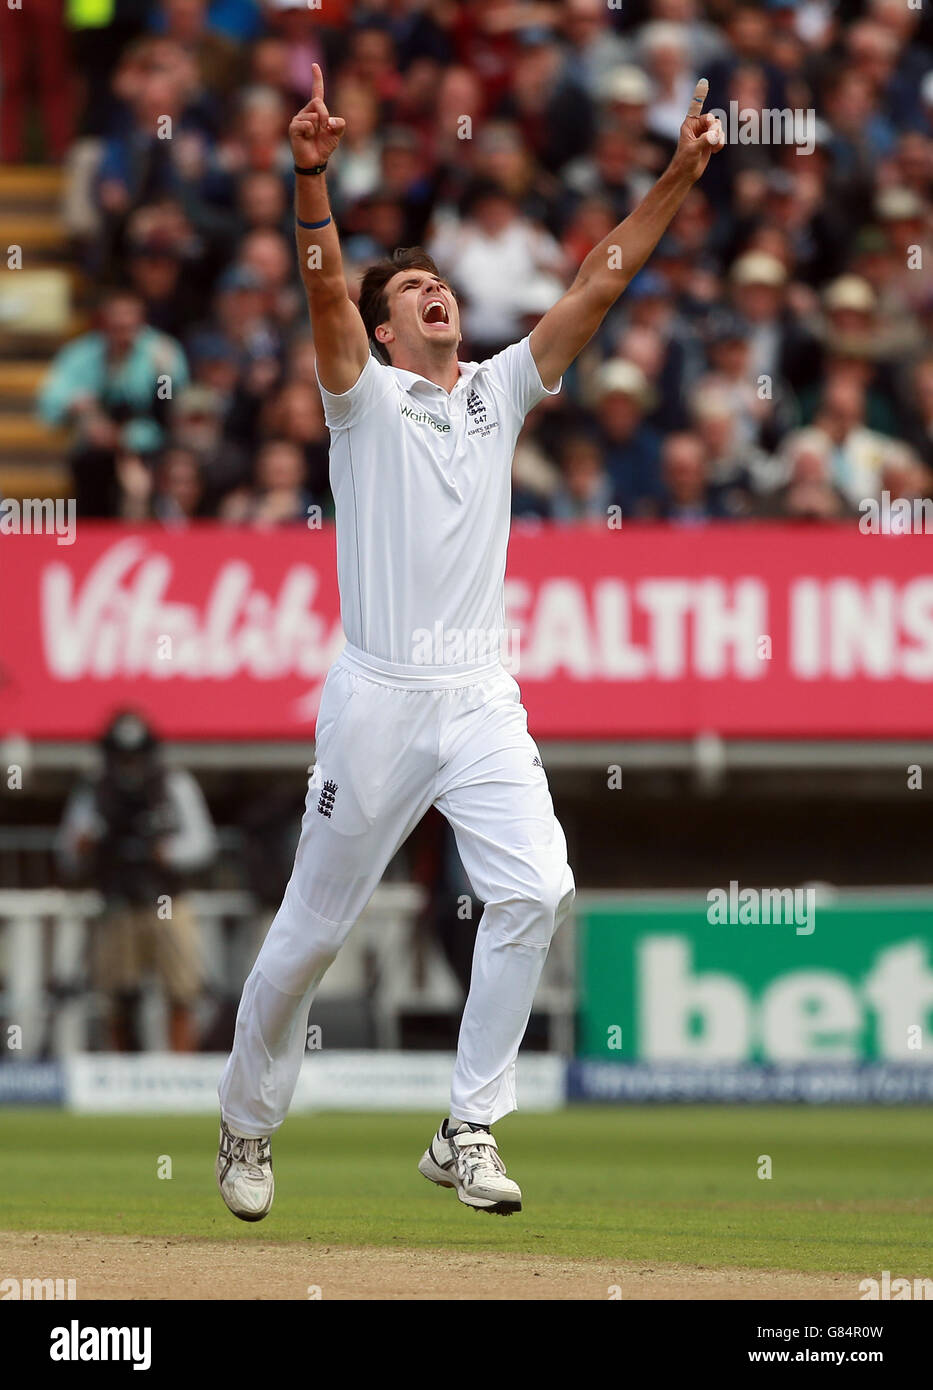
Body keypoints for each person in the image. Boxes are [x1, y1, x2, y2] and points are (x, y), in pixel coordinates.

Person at [216, 64, 724, 1222]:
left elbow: (603, 278)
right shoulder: (364, 397)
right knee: (309, 938)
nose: (435, 294)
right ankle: (247, 1128)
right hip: (380, 697)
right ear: (392, 329)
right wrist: (309, 178)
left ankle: (467, 1125)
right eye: (415, 292)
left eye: (443, 284)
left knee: (539, 885)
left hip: (480, 692)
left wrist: (680, 177)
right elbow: (326, 294)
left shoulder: (499, 391)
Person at [58, 711, 217, 1052]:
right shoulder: (94, 790)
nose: (128, 764)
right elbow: (69, 852)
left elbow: (203, 842)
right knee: (114, 994)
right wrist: (86, 845)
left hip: (167, 899)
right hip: (117, 902)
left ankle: (180, 1071)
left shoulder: (173, 784)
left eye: (134, 756)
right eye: (121, 756)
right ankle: (122, 1070)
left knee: (182, 988)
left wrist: (167, 852)